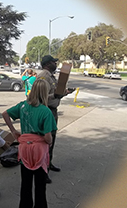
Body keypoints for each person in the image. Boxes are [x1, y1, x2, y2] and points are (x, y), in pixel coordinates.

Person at [2, 79, 57, 208]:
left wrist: (13, 130)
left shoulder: (23, 106)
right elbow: (48, 137)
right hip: (39, 150)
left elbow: (5, 114)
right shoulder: (46, 111)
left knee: (25, 183)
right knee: (40, 184)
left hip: (24, 148)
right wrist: (48, 142)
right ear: (44, 92)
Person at [36, 55, 74, 184]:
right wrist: (56, 95)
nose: (56, 64)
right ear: (47, 64)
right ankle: (43, 171)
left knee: (51, 141)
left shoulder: (51, 76)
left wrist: (65, 92)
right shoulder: (43, 77)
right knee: (46, 142)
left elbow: (55, 94)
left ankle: (48, 164)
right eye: (53, 62)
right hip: (46, 112)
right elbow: (40, 97)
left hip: (53, 111)